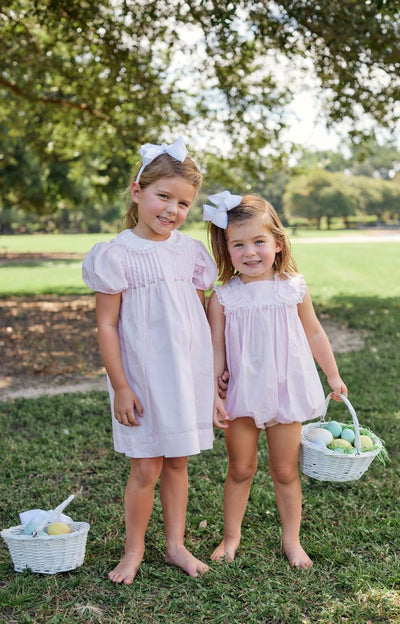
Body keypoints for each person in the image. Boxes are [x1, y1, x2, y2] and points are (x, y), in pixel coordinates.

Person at [82, 137, 217, 584]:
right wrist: (120, 385)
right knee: (146, 467)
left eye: (183, 203)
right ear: (138, 191)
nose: (172, 210)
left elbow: (196, 313)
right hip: (140, 376)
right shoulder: (115, 254)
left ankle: (176, 545)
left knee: (178, 461)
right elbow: (106, 325)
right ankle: (133, 550)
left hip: (185, 373)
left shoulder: (191, 251)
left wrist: (213, 376)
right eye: (164, 196)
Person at [204, 192, 348, 569]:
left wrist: (332, 375)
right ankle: (231, 537)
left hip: (285, 392)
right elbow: (215, 349)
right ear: (226, 248)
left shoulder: (293, 288)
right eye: (238, 244)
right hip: (242, 395)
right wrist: (214, 392)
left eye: (258, 242)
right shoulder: (223, 297)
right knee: (240, 468)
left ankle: (292, 541)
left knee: (284, 470)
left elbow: (315, 332)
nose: (250, 252)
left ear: (278, 243)